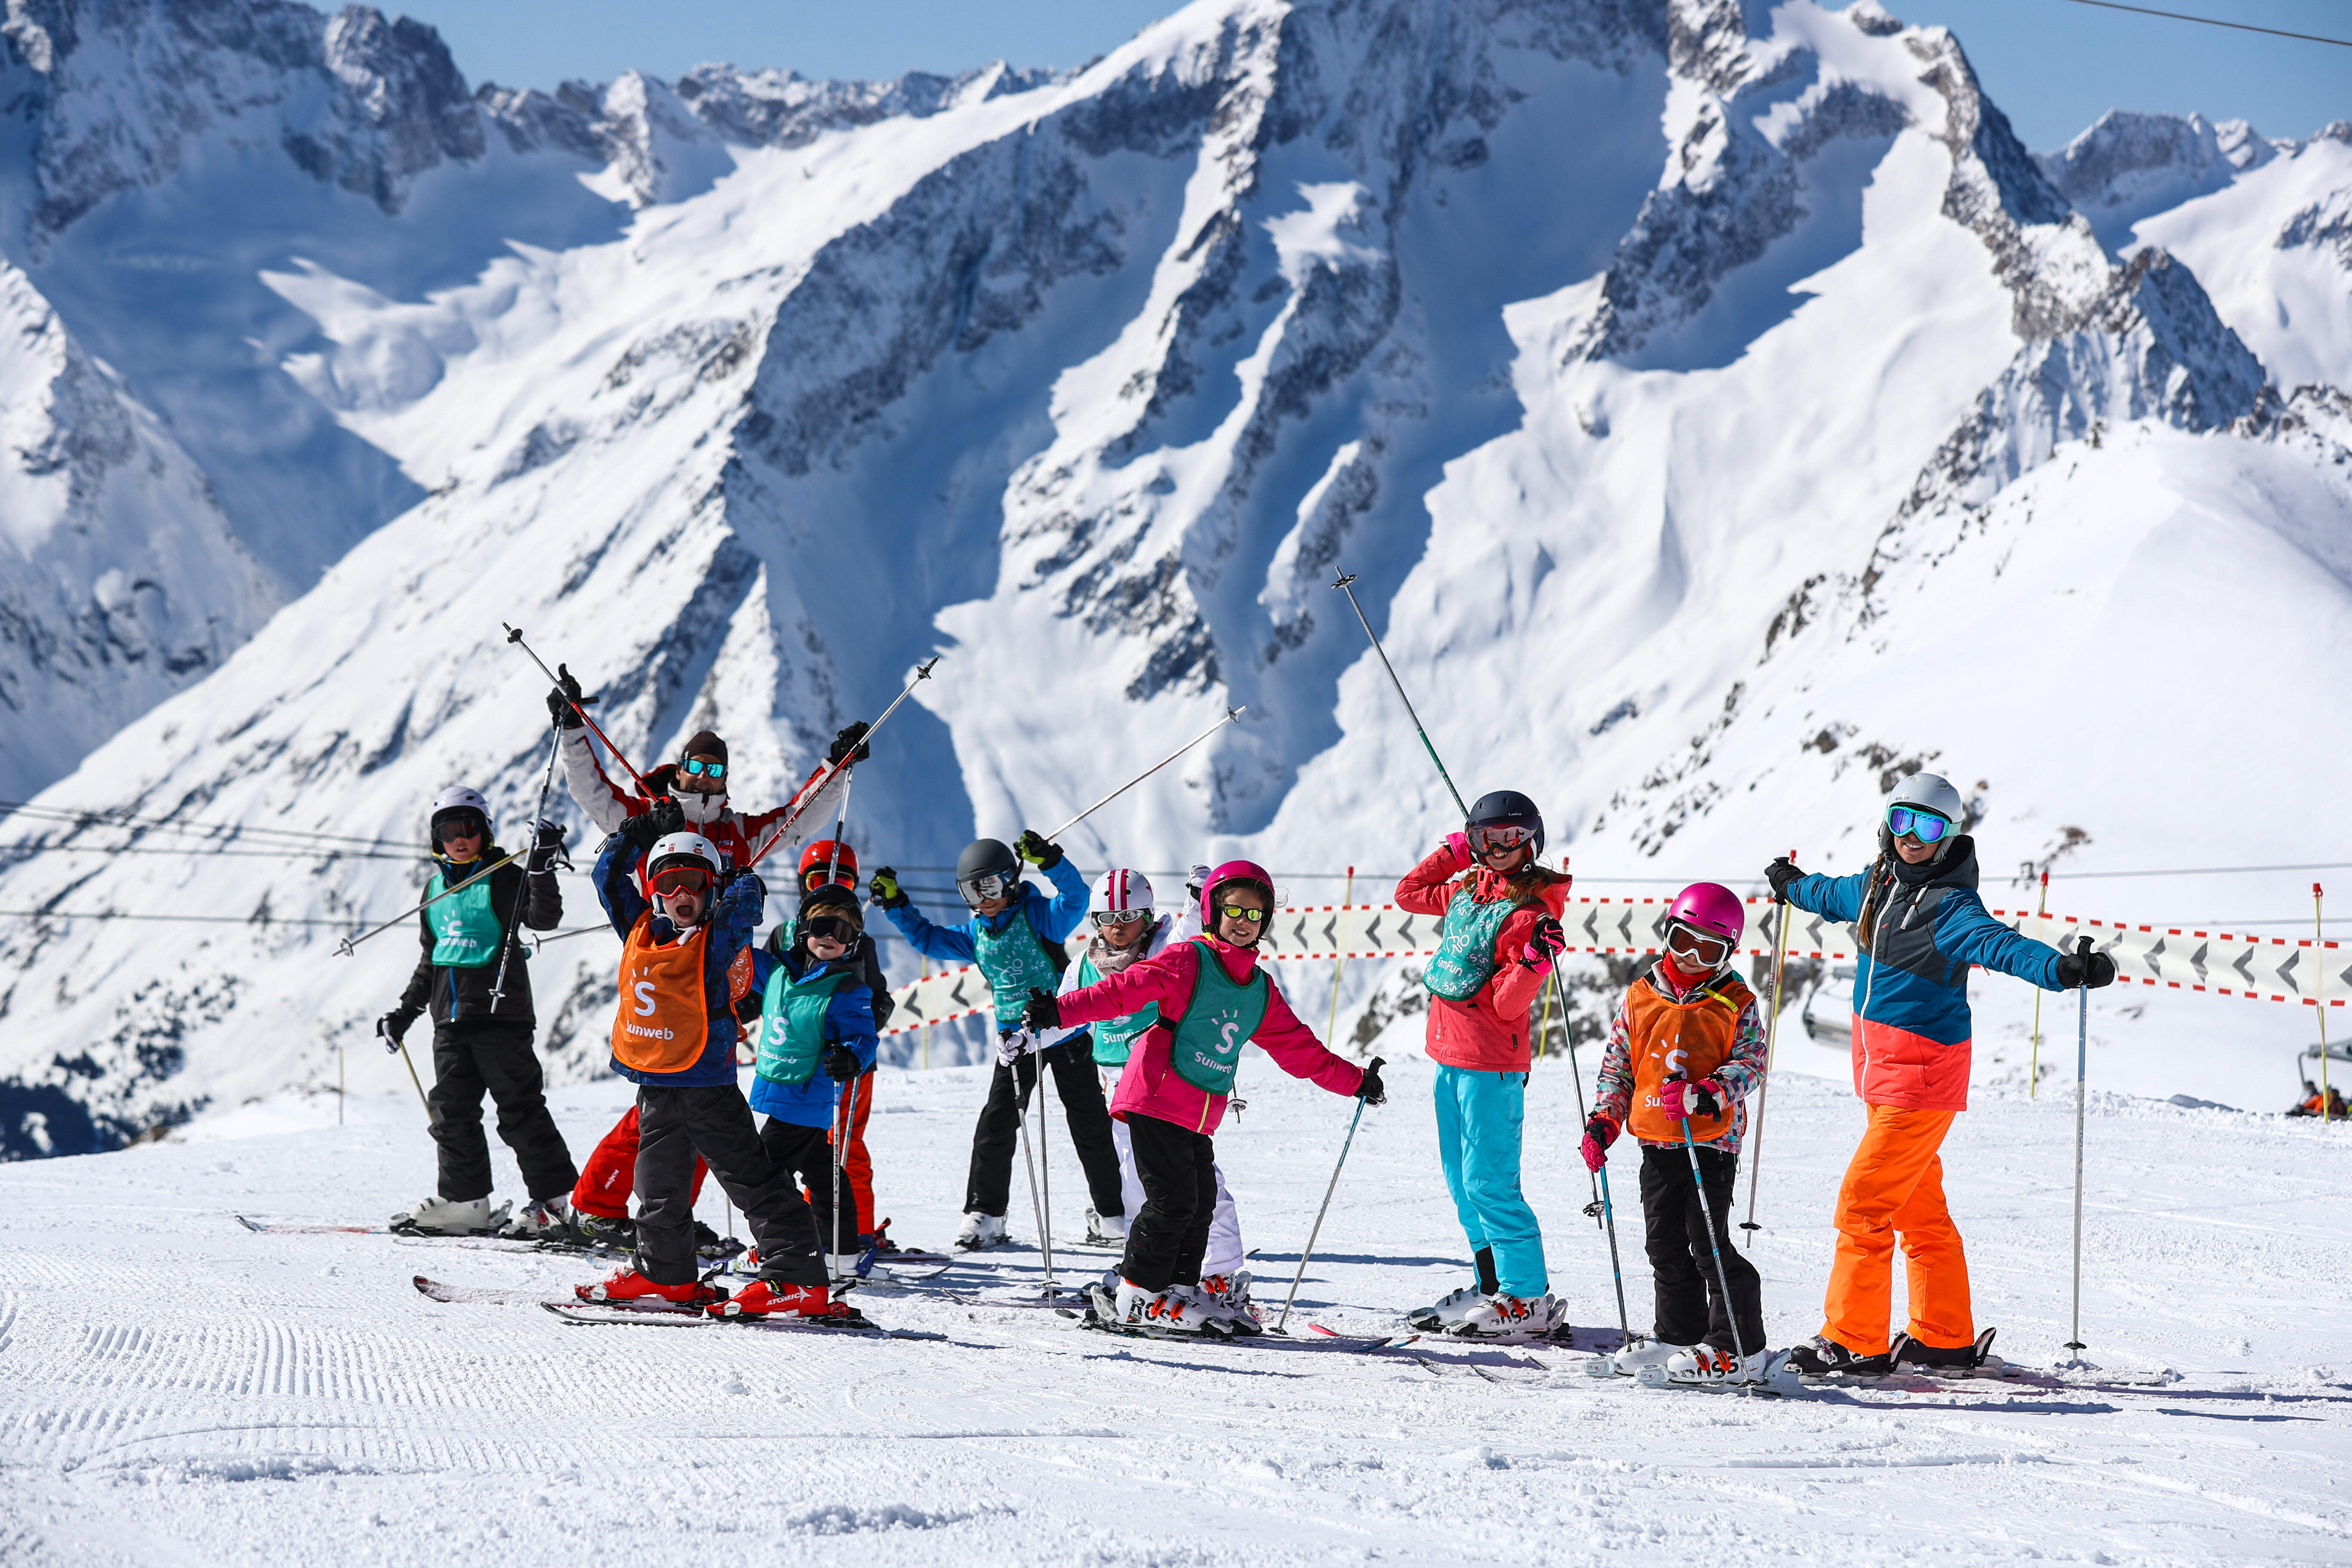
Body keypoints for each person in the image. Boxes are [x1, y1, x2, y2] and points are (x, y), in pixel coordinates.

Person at [1767, 772, 2114, 1374]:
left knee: (1863, 1205)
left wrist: (2061, 969)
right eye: (1902, 820)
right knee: (1916, 1208)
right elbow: (1833, 894)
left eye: (1927, 827)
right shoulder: (1878, 885)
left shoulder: (1951, 907)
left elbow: (2002, 945)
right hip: (1882, 1074)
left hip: (1920, 1079)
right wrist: (1794, 887)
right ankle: (1943, 1335)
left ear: (1948, 836)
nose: (1912, 836)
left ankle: (1854, 1339)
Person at [543, 666, 870, 1245]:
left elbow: (797, 819)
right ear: (680, 768)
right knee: (668, 1101)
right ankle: (600, 1203)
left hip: (718, 973)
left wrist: (835, 768)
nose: (705, 777)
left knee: (692, 1107)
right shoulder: (649, 815)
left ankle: (665, 1216)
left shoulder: (737, 831)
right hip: (664, 966)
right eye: (696, 766)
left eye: (716, 770)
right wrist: (572, 730)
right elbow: (593, 794)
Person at [1031, 861, 1384, 1336]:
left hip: (1197, 1112)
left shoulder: (1258, 989)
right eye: (1233, 910)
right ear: (1213, 912)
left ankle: (1178, 1288)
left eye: (1254, 914)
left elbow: (1301, 1051)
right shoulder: (1188, 959)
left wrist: (1356, 1081)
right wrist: (1058, 1011)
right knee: (1171, 1201)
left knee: (1200, 1203)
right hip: (1154, 1096)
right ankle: (1137, 1293)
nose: (1243, 921)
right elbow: (1122, 991)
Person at [575, 821, 854, 1321]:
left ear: (712, 890)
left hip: (706, 1086)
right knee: (657, 1183)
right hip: (657, 1084)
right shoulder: (639, 930)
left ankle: (798, 1277)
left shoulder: (716, 939)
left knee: (750, 1177)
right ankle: (665, 1271)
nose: (681, 894)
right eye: (668, 883)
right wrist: (632, 837)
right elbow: (608, 879)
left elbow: (744, 909)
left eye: (695, 883)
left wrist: (740, 879)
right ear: (653, 890)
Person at [870, 831, 1124, 1251]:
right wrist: (897, 905)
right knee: (996, 1124)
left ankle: (1114, 1215)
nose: (982, 899)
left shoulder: (1039, 917)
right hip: (1017, 1041)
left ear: (1009, 879)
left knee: (1089, 1123)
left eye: (988, 886)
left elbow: (1076, 900)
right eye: (972, 891)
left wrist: (1050, 860)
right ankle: (986, 1214)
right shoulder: (976, 934)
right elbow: (928, 939)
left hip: (1064, 1029)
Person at [1393, 790, 1572, 1340]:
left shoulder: (1529, 913)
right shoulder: (1468, 889)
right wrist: (1451, 854)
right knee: (1461, 1183)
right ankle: (1493, 1285)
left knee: (1489, 1183)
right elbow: (1408, 894)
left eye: (1509, 838)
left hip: (1491, 1064)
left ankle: (1526, 1296)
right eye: (1484, 837)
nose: (1496, 849)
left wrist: (1534, 963)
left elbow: (1507, 1005)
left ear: (1531, 842)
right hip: (1449, 1056)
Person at [1583, 883, 1770, 1382]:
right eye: (1684, 941)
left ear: (1728, 953)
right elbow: (1618, 1067)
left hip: (1711, 1143)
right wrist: (1604, 1120)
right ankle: (1679, 1333)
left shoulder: (1735, 1001)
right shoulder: (1641, 997)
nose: (1692, 957)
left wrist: (1709, 1093)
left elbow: (1752, 1062)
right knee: (1664, 1246)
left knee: (1707, 1244)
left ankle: (1738, 1347)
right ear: (1668, 933)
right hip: (1657, 1140)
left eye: (1709, 951)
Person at [382, 787, 578, 1237]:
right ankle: (465, 1202)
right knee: (450, 1113)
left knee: (520, 1111)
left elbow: (543, 918)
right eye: (448, 830)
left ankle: (554, 1203)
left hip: (500, 1015)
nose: (459, 838)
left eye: (468, 827)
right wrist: (403, 1014)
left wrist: (541, 868)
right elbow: (432, 961)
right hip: (450, 1022)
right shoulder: (434, 891)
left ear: (485, 831)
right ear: (436, 838)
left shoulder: (504, 878)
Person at [1067, 868, 1255, 1321]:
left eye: (1129, 917)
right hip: (1120, 1092)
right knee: (1140, 1188)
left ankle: (1220, 1274)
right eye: (1107, 918)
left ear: (1148, 916)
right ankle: (1148, 1273)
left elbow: (1189, 940)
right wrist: (1025, 1036)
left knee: (1198, 1184)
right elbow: (1064, 1011)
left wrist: (1197, 899)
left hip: (1168, 1084)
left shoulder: (1161, 948)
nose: (1118, 928)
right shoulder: (1085, 964)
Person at [745, 880, 879, 1273]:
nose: (831, 937)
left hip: (807, 1096)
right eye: (822, 927)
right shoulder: (777, 971)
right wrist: (736, 907)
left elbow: (864, 1036)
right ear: (803, 929)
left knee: (764, 1175)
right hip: (782, 1089)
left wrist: (852, 1057)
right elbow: (737, 955)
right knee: (823, 1172)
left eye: (843, 932)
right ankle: (842, 1252)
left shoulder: (847, 989)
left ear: (853, 942)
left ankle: (784, 1250)